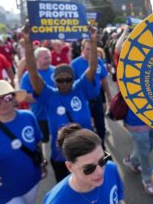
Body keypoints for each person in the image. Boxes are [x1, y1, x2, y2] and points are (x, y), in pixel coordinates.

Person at [22, 24, 101, 182]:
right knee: (68, 189)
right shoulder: (48, 95)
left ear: (73, 79)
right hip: (61, 156)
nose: (64, 82)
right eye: (60, 80)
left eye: (68, 79)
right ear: (54, 80)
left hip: (87, 150)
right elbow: (32, 72)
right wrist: (27, 43)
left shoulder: (80, 88)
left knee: (92, 185)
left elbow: (92, 67)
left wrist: (93, 41)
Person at [43, 124, 125, 204]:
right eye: (89, 168)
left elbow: (119, 199)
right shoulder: (56, 201)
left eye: (102, 160)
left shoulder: (111, 168)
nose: (100, 172)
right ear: (70, 167)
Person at [71, 39, 112, 150]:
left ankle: (102, 148)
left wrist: (109, 98)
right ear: (82, 49)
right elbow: (71, 86)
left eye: (92, 49)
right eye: (87, 49)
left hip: (97, 98)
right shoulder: (74, 64)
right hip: (83, 102)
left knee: (101, 127)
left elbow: (104, 81)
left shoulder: (98, 62)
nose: (90, 52)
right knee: (86, 129)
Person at [21, 47, 55, 157]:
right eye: (45, 58)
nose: (49, 60)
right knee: (44, 139)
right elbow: (24, 95)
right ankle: (46, 159)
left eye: (49, 57)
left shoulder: (55, 71)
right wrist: (43, 97)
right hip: (40, 115)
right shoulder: (28, 76)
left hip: (56, 113)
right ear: (36, 60)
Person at [122, 109, 153, 195]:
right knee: (144, 153)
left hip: (152, 118)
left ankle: (132, 160)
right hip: (136, 122)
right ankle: (147, 180)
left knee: (150, 145)